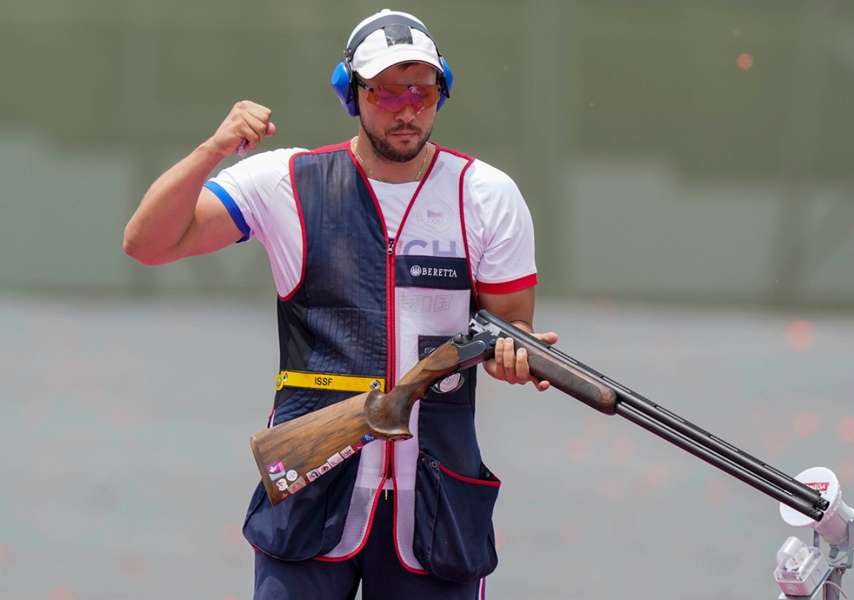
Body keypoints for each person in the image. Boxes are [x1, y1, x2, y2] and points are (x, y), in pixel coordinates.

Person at [123, 9, 556, 600]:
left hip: (436, 504)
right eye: (384, 92)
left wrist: (515, 354)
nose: (406, 109)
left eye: (421, 91)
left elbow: (511, 326)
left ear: (441, 93)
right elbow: (147, 243)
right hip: (309, 494)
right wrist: (214, 149)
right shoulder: (285, 180)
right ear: (351, 95)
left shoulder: (487, 194)